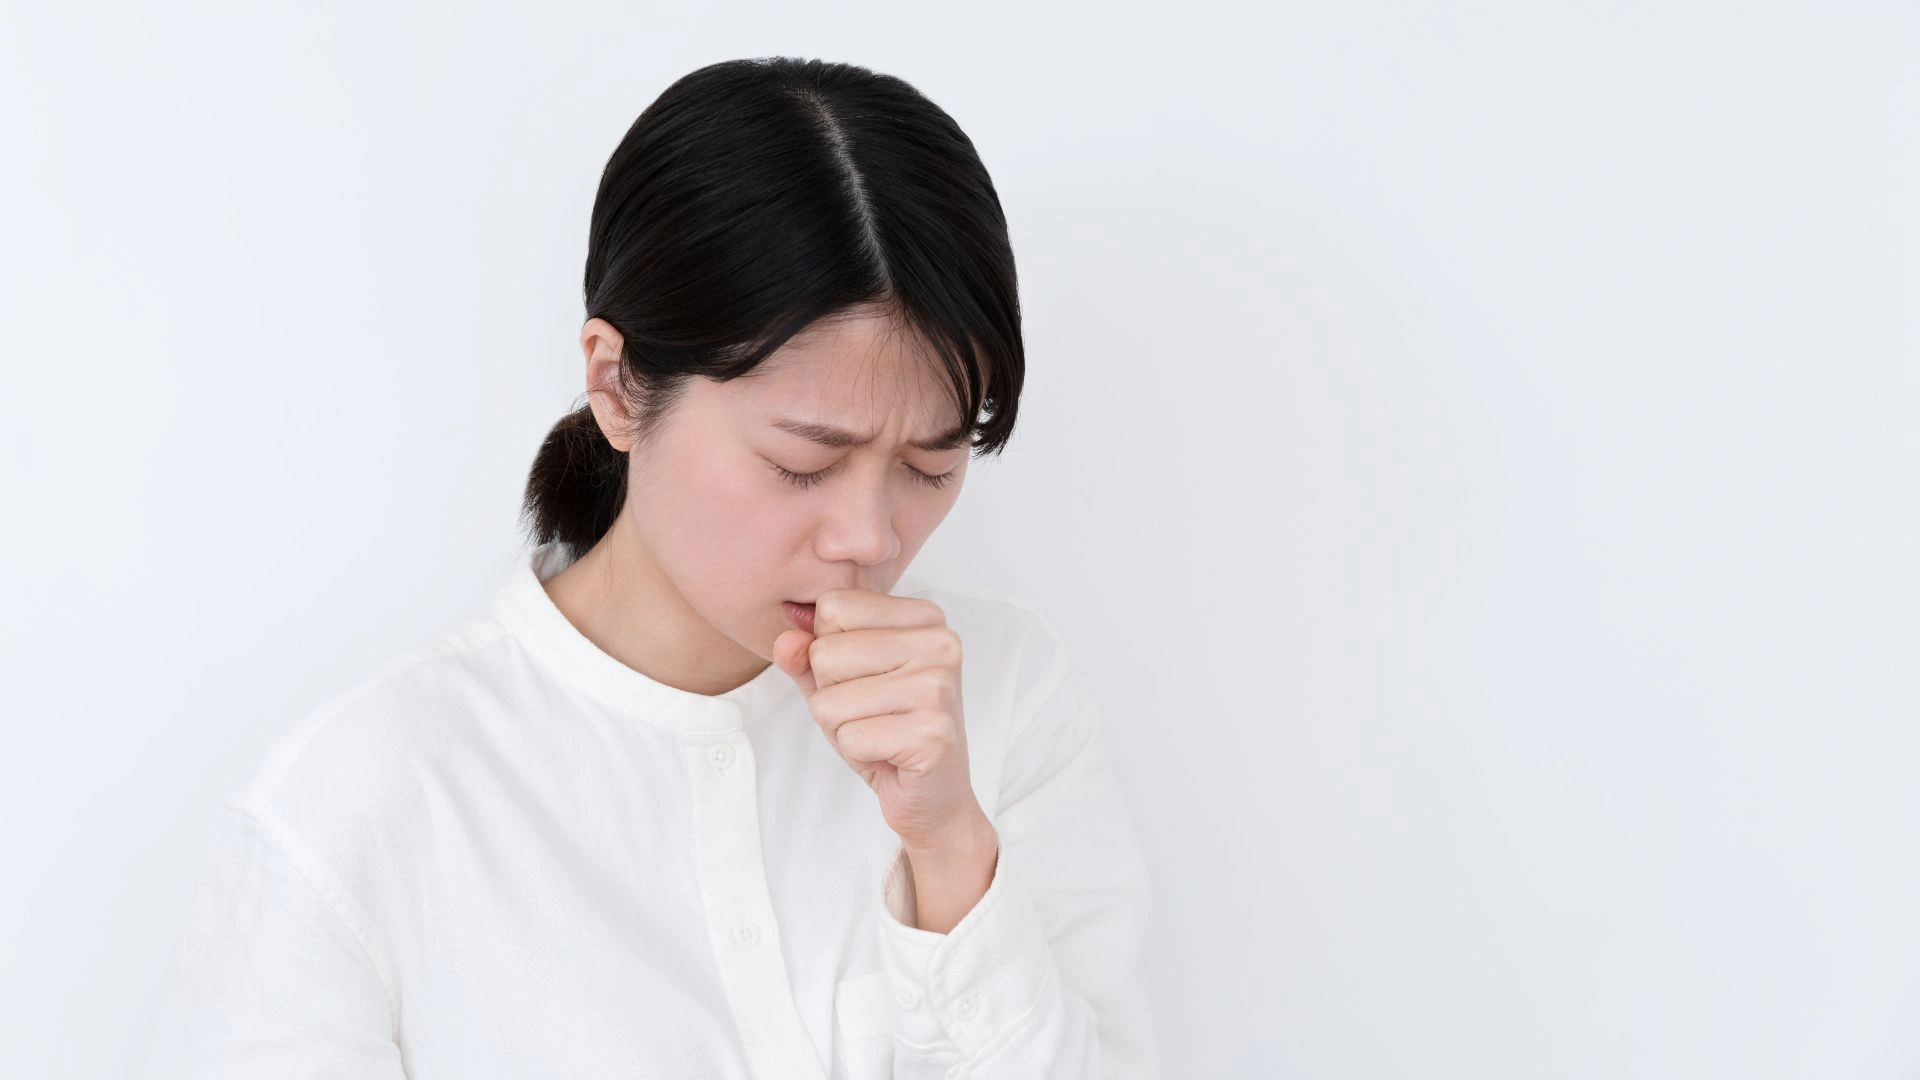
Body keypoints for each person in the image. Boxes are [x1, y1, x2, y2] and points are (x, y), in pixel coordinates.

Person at [141, 56, 1158, 1080]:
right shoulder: (360, 811)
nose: (870, 539)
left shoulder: (1004, 696)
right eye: (801, 463)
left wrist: (948, 855)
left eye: (929, 465)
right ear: (617, 387)